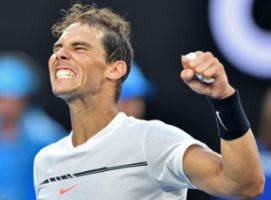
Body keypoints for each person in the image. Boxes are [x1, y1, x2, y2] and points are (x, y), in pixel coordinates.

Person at [34, 3, 264, 200]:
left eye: (79, 48)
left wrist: (224, 99)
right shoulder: (45, 162)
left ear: (115, 69)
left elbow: (244, 185)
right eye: (58, 48)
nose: (60, 55)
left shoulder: (151, 140)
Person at [0, 52, 66, 200]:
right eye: (2, 99)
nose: (6, 107)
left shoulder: (45, 135)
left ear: (24, 100)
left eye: (13, 100)